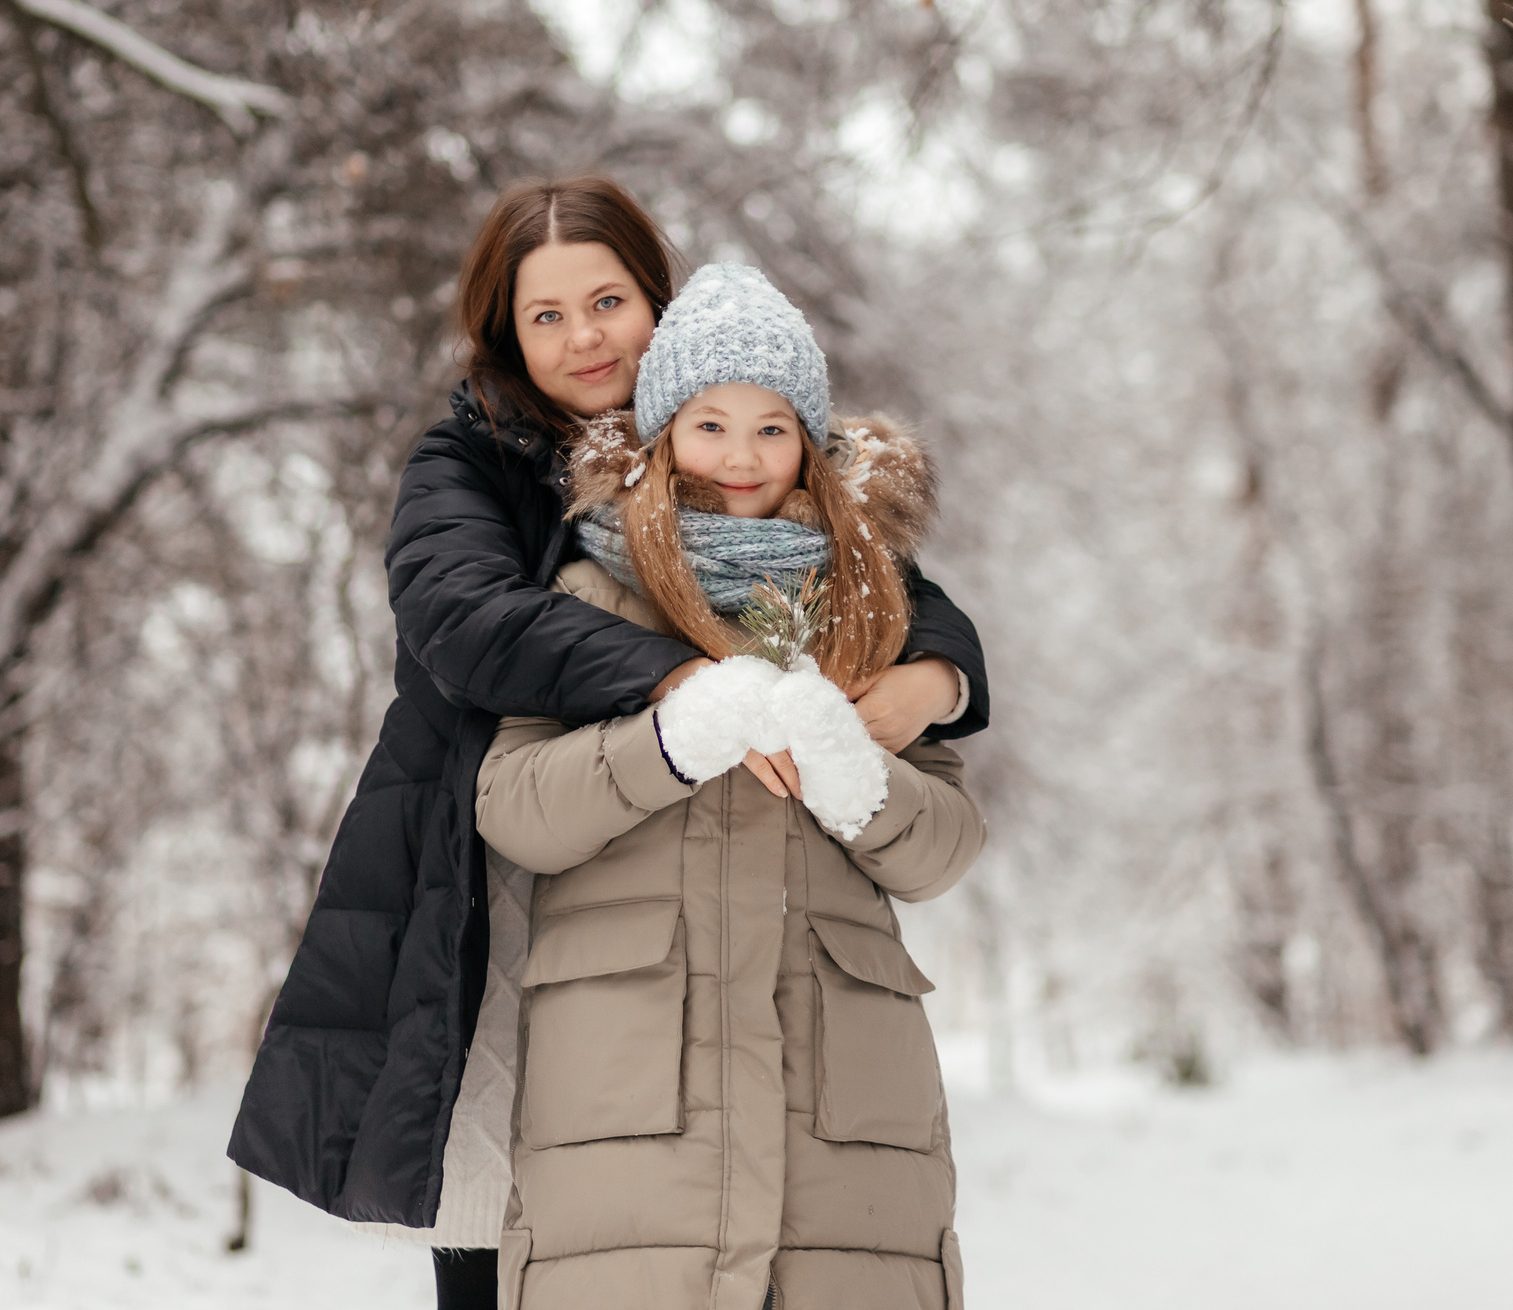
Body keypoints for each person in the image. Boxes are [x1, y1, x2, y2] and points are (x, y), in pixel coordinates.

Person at [227, 179, 989, 1310]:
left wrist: (937, 673)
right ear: (506, 329)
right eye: (546, 315)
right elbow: (463, 619)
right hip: (485, 882)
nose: (583, 336)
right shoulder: (471, 461)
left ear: (656, 304)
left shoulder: (735, 437)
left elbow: (883, 582)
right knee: (507, 1217)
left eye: (608, 301)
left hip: (676, 898)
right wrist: (685, 680)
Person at [479, 261, 983, 1308]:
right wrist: (670, 738)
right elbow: (515, 808)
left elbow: (945, 843)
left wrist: (851, 772)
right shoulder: (585, 594)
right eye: (709, 425)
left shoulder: (871, 606)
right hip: (624, 1122)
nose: (742, 457)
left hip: (847, 1135)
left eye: (772, 427)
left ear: (809, 438)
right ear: (663, 433)